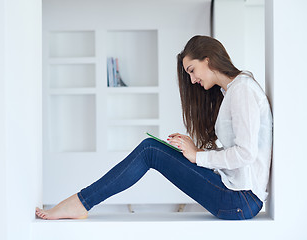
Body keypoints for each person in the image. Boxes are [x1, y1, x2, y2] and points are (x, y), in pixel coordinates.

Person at [36, 35, 273, 220]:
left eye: (191, 70)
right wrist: (194, 153)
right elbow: (241, 151)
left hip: (240, 200)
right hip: (237, 195)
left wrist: (198, 156)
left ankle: (80, 203)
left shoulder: (242, 90)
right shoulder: (232, 92)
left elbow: (246, 153)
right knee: (151, 149)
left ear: (208, 59)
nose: (192, 80)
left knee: (150, 150)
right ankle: (80, 202)